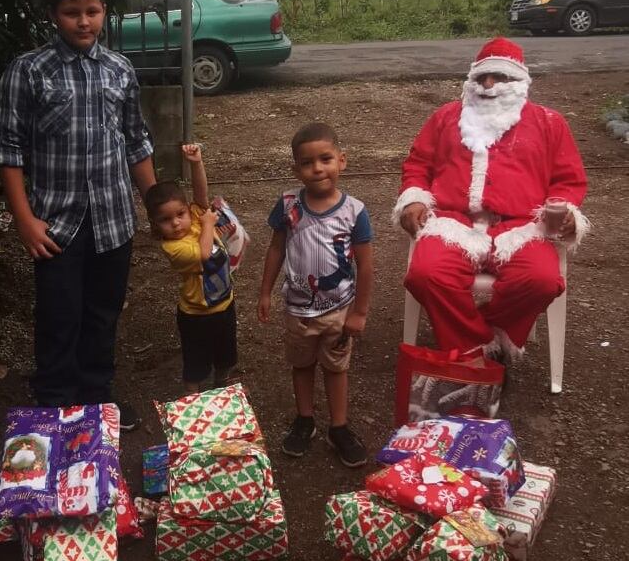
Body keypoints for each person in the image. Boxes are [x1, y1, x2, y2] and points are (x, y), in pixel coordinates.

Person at [0, 0, 156, 427]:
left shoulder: (120, 69)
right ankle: (55, 403)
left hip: (113, 217)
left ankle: (96, 396)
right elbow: (8, 150)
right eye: (71, 12)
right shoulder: (29, 70)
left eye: (92, 11)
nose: (83, 22)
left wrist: (158, 206)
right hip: (56, 222)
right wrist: (24, 219)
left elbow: (136, 142)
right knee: (59, 314)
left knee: (103, 312)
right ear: (52, 15)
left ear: (105, 12)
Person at [394, 37, 590, 361]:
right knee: (425, 274)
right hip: (453, 224)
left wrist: (564, 210)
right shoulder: (445, 117)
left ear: (519, 82)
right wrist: (414, 200)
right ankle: (478, 348)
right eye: (481, 77)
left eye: (499, 77)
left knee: (542, 280)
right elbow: (417, 165)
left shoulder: (548, 122)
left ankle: (487, 333)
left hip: (521, 227)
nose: (488, 84)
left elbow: (567, 180)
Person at [258, 122, 374, 466]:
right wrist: (264, 292)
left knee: (336, 368)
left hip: (339, 309)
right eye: (308, 163)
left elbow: (366, 267)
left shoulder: (355, 211)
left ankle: (338, 427)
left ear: (342, 160)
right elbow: (276, 249)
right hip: (297, 309)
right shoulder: (289, 205)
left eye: (325, 159)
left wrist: (360, 313)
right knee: (302, 364)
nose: (317, 168)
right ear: (297, 169)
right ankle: (304, 420)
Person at [145, 144, 236, 393]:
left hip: (224, 303)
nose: (176, 223)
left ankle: (222, 385)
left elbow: (200, 194)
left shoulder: (194, 217)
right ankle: (192, 397)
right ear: (155, 224)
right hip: (197, 314)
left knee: (226, 354)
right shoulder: (174, 247)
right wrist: (207, 223)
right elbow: (204, 253)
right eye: (166, 219)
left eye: (180, 214)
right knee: (195, 362)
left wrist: (196, 163)